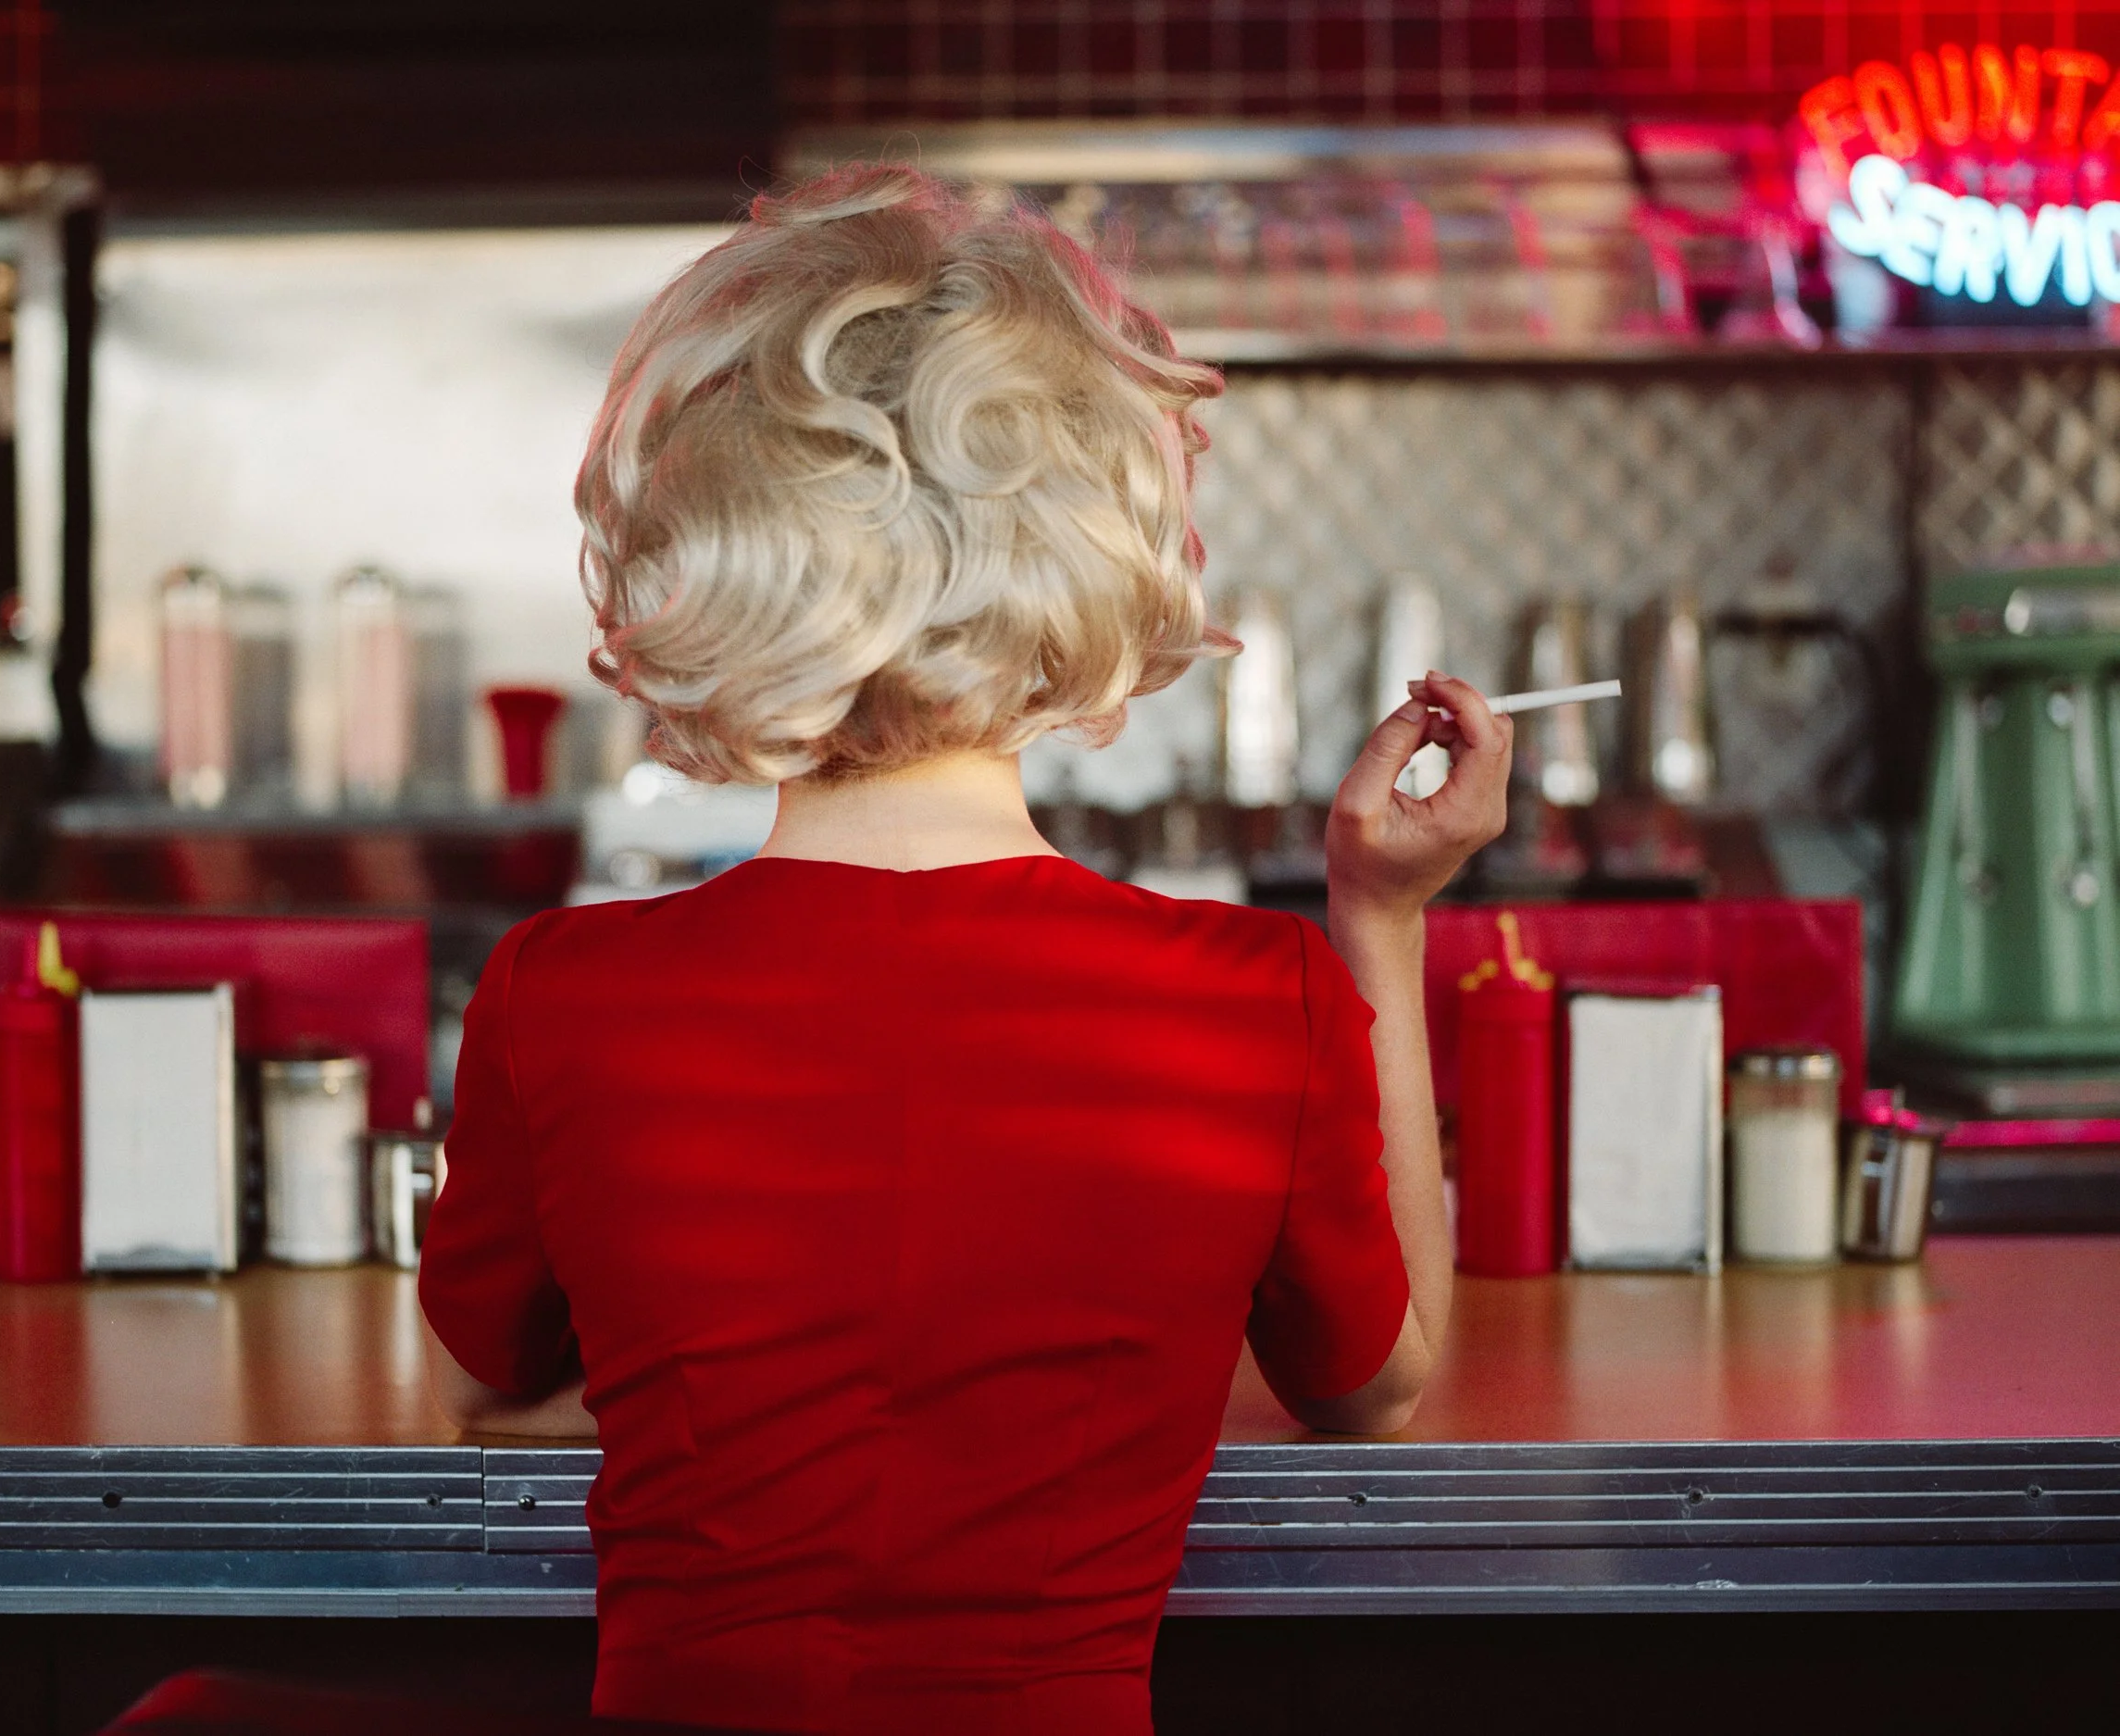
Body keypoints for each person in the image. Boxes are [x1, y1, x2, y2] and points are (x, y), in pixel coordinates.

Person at [418, 162, 1510, 1736]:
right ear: (1091, 550)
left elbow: (481, 1381)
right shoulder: (1254, 1002)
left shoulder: (560, 993)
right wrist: (1381, 913)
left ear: (712, 544)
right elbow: (1377, 1385)